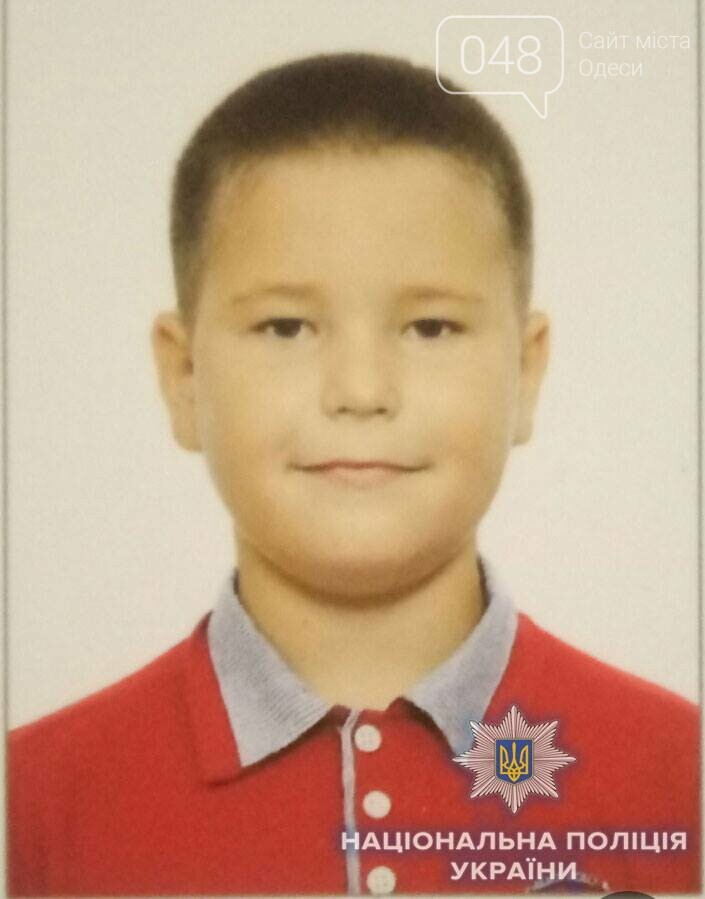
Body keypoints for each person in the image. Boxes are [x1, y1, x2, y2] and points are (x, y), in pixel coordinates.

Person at [7, 52, 699, 896]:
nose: (362, 391)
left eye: (431, 327)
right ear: (183, 377)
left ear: (526, 371)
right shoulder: (32, 805)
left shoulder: (680, 774)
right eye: (286, 327)